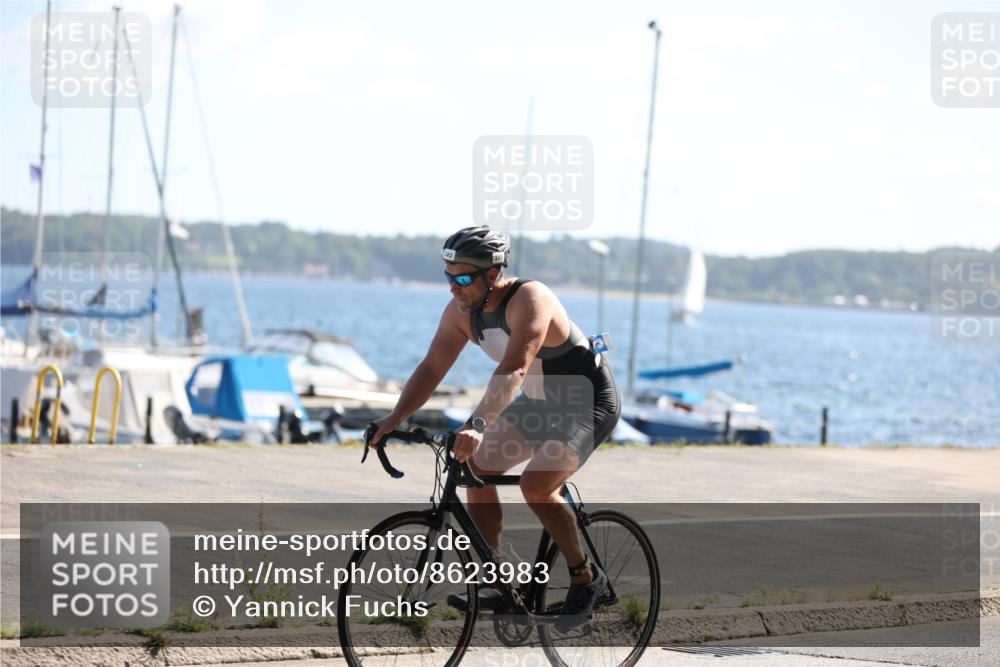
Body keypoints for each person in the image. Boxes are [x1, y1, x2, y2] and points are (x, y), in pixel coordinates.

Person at [368, 225, 621, 629]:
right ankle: (496, 578)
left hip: (584, 400)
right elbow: (433, 367)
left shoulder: (530, 299)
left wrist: (479, 423)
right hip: (540, 403)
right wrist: (396, 418)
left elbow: (515, 367)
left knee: (537, 485)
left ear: (493, 273)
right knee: (476, 469)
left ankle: (584, 578)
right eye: (448, 276)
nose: (454, 287)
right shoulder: (461, 313)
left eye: (463, 278)